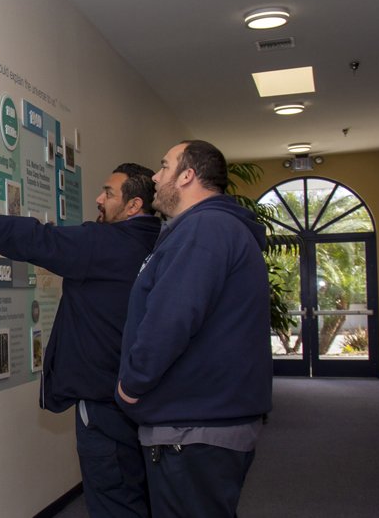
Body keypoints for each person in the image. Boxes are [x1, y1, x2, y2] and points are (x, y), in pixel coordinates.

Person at [0, 163, 161, 517]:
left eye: (109, 194)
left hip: (105, 402)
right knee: (137, 494)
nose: (98, 199)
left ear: (133, 205)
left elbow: (37, 239)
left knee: (113, 499)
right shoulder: (157, 244)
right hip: (138, 399)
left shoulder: (107, 244)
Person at [116, 140, 272, 517]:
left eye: (164, 166)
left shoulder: (204, 229)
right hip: (203, 425)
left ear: (187, 176)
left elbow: (172, 318)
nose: (155, 177)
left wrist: (131, 385)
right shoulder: (212, 229)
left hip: (195, 430)